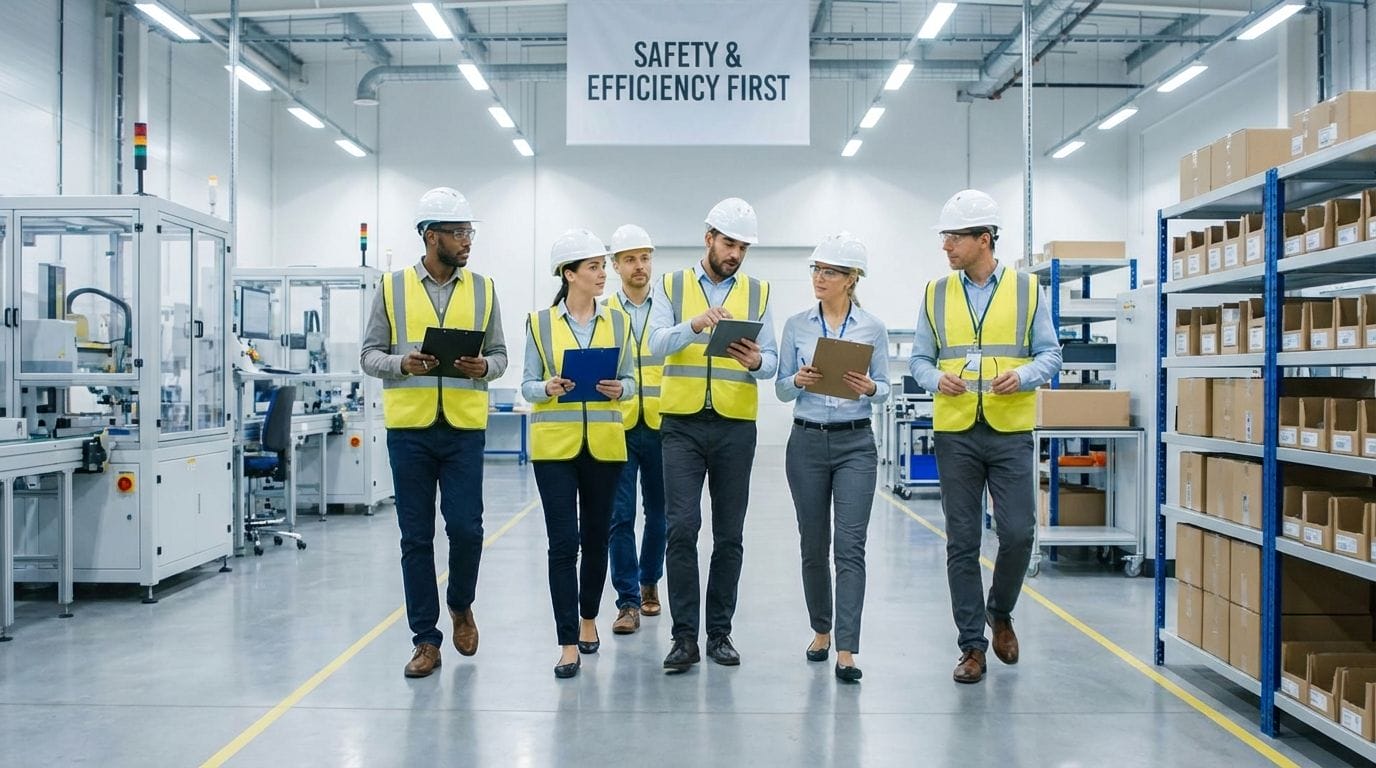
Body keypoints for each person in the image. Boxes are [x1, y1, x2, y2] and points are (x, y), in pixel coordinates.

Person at [908, 189, 1063, 684]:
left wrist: (1024, 376)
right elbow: (918, 360)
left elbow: (1051, 356)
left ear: (983, 239)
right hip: (956, 432)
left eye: (954, 237)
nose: (946, 246)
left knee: (1018, 533)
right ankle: (971, 646)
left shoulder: (1026, 290)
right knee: (962, 540)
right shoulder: (935, 294)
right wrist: (935, 380)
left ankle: (1001, 611)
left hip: (1010, 429)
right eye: (945, 237)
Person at [361, 186, 508, 679]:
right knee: (415, 539)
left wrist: (482, 366)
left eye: (469, 231)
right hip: (411, 432)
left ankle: (461, 603)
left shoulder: (484, 290)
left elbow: (501, 358)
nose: (467, 241)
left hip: (464, 430)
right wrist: (402, 364)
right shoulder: (391, 287)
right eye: (458, 232)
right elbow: (368, 356)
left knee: (467, 530)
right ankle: (425, 639)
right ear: (430, 236)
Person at [648, 197, 778, 673]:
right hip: (681, 425)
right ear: (708, 238)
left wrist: (757, 361)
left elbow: (776, 363)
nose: (736, 254)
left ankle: (719, 633)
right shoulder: (672, 284)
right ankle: (684, 637)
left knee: (730, 535)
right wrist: (695, 324)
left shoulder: (760, 292)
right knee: (681, 529)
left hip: (734, 427)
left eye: (743, 247)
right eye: (729, 244)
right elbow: (655, 342)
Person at [522, 229, 637, 679]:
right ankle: (567, 640)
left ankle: (589, 616)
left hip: (605, 448)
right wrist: (547, 388)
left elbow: (632, 382)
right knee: (562, 544)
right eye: (593, 267)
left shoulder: (619, 322)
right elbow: (529, 383)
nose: (601, 274)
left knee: (596, 539)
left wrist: (619, 389)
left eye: (602, 267)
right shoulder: (539, 323)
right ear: (569, 275)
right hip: (554, 450)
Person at [775, 233, 888, 683]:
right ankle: (820, 629)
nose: (819, 278)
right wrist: (798, 379)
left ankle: (846, 648)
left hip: (855, 444)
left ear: (851, 279)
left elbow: (885, 388)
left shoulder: (872, 328)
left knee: (850, 546)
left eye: (830, 271)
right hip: (805, 443)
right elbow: (781, 388)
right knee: (812, 544)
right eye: (816, 270)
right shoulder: (796, 325)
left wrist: (871, 388)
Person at [603, 224, 666, 636]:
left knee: (660, 513)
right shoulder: (604, 311)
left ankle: (649, 582)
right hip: (619, 425)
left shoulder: (668, 308)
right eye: (630, 259)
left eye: (644, 257)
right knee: (619, 516)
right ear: (615, 265)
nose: (639, 266)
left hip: (664, 424)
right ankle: (626, 600)